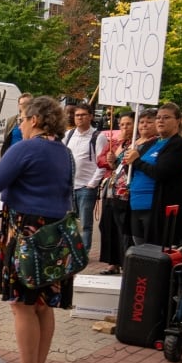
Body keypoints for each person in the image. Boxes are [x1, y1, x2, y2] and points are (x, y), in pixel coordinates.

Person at [0, 96, 74, 363]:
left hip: (27, 234)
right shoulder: (65, 151)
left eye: (21, 118)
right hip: (55, 236)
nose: (19, 124)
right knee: (44, 306)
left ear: (35, 120)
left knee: (22, 305)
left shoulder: (26, 147)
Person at [124, 104, 182, 247]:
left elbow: (161, 172)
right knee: (139, 250)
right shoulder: (151, 143)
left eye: (166, 118)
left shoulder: (177, 145)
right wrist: (126, 162)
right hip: (137, 204)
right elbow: (132, 169)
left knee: (153, 251)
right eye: (158, 118)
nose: (160, 121)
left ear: (178, 121)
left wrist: (137, 161)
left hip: (156, 207)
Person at [64, 104, 108, 255]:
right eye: (77, 115)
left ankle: (83, 252)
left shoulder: (98, 137)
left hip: (86, 187)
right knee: (69, 221)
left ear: (90, 116)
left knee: (85, 223)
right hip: (69, 186)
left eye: (83, 115)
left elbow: (102, 163)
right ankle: (71, 249)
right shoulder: (68, 135)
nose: (80, 118)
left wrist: (92, 184)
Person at [97, 111, 135, 275]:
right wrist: (109, 160)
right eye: (122, 124)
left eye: (128, 124)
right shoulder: (117, 142)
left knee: (122, 228)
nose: (125, 128)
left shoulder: (136, 144)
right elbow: (102, 160)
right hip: (111, 187)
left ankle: (124, 261)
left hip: (125, 191)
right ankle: (112, 262)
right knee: (107, 225)